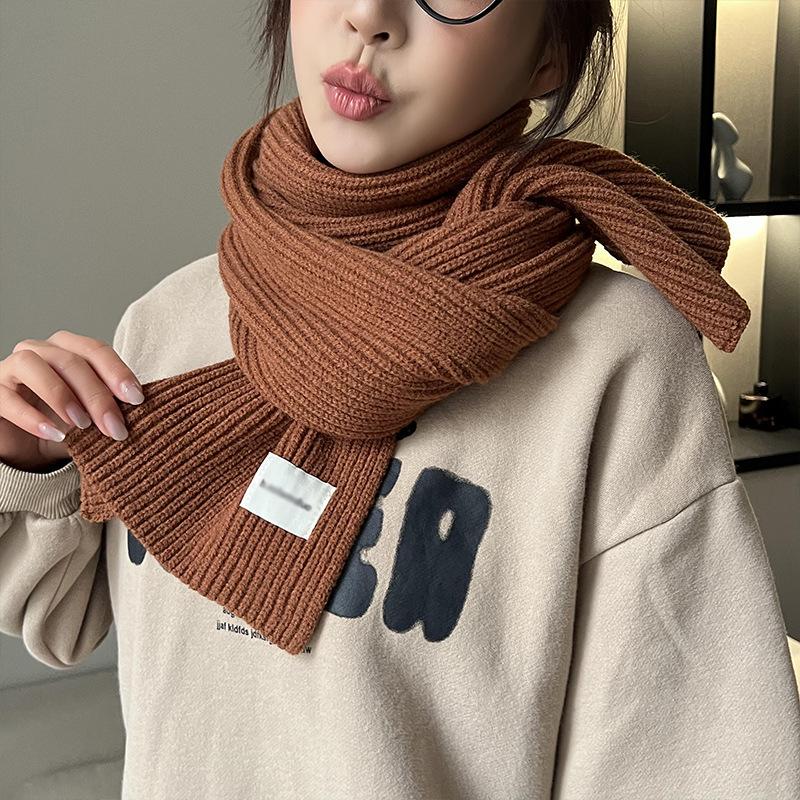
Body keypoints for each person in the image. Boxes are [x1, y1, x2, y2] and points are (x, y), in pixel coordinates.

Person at [1, 1, 798, 798]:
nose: (368, 16)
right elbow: (59, 615)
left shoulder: (617, 362)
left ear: (550, 54)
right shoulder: (170, 321)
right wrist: (27, 461)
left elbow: (694, 766)